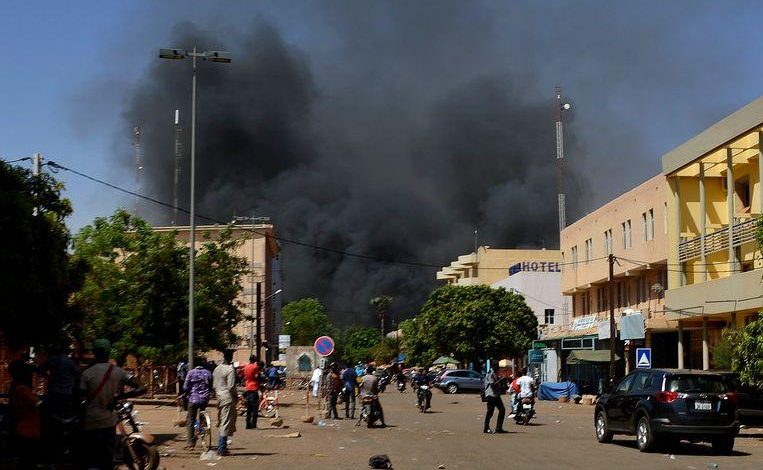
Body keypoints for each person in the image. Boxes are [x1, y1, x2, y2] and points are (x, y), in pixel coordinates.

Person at [79, 339, 145, 469]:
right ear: (108, 352)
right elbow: (142, 388)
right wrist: (121, 396)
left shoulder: (86, 373)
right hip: (108, 423)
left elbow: (79, 397)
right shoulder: (118, 372)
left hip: (89, 423)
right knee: (107, 460)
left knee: (89, 459)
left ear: (95, 352)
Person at [9, 360, 41, 467]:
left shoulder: (15, 387)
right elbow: (37, 403)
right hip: (29, 429)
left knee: (24, 460)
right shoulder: (23, 389)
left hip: (21, 427)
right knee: (29, 460)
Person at [39, 343, 78, 419]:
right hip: (66, 391)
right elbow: (75, 374)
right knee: (65, 412)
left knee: (54, 412)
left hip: (54, 390)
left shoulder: (53, 359)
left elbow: (41, 369)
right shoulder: (70, 362)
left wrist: (48, 377)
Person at [213, 350, 238, 456]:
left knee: (222, 421)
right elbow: (231, 386)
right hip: (227, 397)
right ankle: (222, 448)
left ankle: (222, 447)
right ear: (231, 358)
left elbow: (214, 385)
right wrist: (236, 396)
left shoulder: (217, 369)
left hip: (218, 396)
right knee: (226, 422)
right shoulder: (230, 369)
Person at [184, 359, 212, 449]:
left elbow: (185, 387)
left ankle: (190, 443)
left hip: (193, 399)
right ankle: (202, 429)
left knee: (191, 420)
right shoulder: (208, 373)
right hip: (205, 399)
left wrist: (188, 392)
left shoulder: (191, 373)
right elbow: (211, 386)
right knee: (202, 416)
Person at [483, 363, 507, 434]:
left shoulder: (494, 373)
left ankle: (499, 428)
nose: (498, 368)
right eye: (497, 366)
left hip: (496, 395)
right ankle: (486, 428)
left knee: (502, 410)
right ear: (493, 366)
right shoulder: (491, 373)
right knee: (490, 412)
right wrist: (501, 379)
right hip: (491, 395)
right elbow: (493, 385)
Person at [243, 355, 260, 429]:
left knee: (248, 408)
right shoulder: (255, 367)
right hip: (254, 388)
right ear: (255, 360)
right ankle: (253, 424)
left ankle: (247, 424)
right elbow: (257, 376)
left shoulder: (246, 367)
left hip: (247, 388)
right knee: (255, 408)